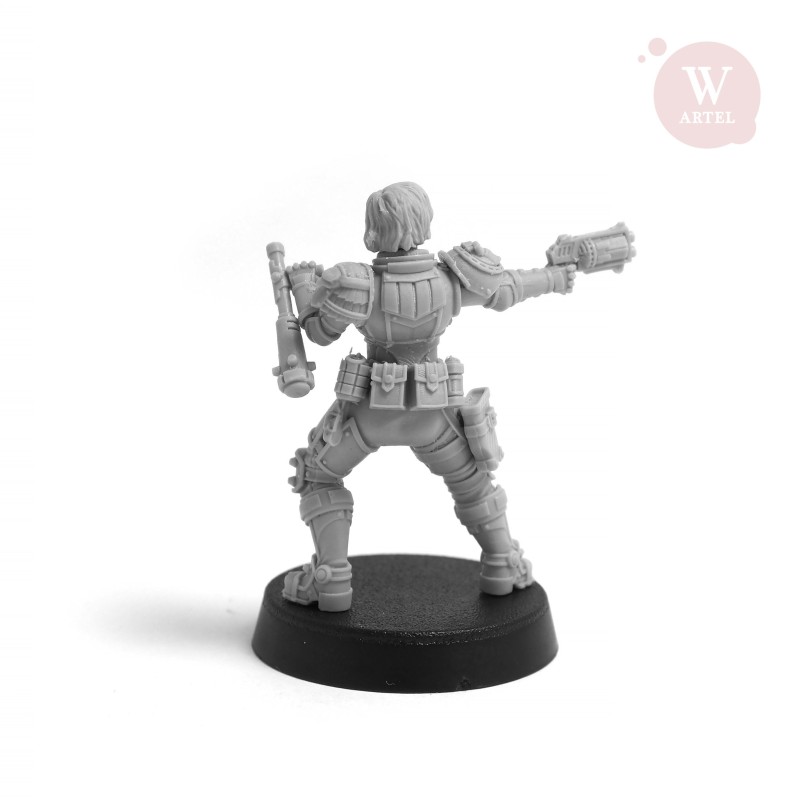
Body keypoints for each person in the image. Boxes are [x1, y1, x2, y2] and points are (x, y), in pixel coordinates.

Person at [282, 181, 575, 611]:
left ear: (373, 229)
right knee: (473, 483)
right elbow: (507, 289)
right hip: (432, 415)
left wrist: (305, 286)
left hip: (367, 415)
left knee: (318, 477)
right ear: (423, 222)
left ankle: (331, 582)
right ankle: (503, 564)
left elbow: (318, 334)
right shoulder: (450, 277)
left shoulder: (357, 283)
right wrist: (556, 276)